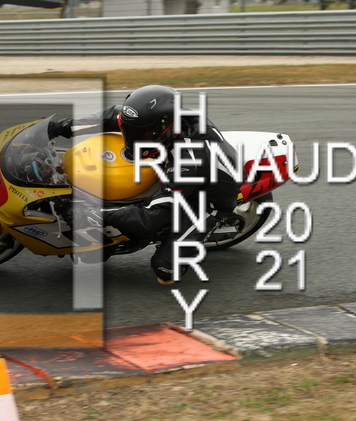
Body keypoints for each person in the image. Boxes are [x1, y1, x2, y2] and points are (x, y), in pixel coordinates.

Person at [48, 85, 241, 284]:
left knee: (165, 269)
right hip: (176, 166)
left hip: (205, 198)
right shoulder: (160, 120)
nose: (132, 138)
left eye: (142, 134)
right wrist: (59, 127)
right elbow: (111, 116)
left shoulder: (189, 162)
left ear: (164, 129)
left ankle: (198, 232)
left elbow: (151, 217)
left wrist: (93, 215)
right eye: (130, 131)